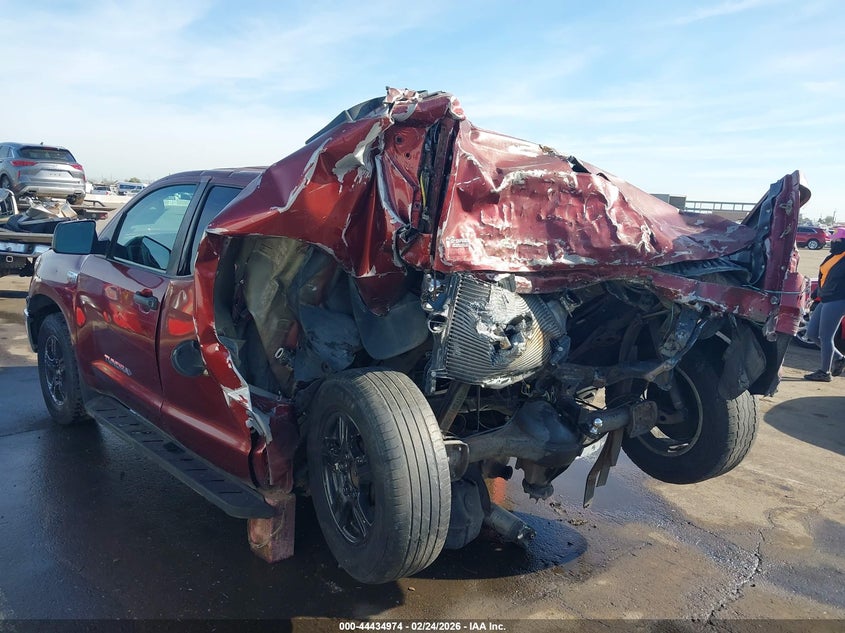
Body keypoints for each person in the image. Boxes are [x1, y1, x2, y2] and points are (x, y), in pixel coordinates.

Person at [804, 227, 845, 381]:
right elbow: (824, 278)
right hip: (826, 298)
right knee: (812, 333)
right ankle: (840, 358)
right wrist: (815, 295)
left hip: (838, 300)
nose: (833, 242)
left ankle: (824, 372)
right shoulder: (832, 256)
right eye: (833, 240)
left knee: (826, 336)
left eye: (837, 240)